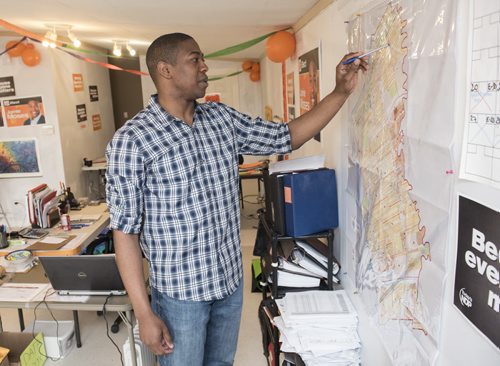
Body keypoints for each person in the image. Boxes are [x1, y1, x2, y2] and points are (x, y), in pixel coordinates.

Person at [105, 32, 367, 366]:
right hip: (180, 297)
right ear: (165, 70)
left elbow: (288, 136)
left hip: (229, 284)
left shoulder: (221, 119)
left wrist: (341, 91)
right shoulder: (132, 141)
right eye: (195, 59)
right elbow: (124, 232)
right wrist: (143, 312)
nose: (205, 67)